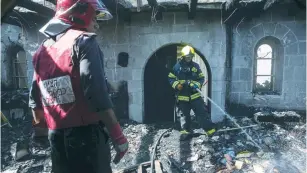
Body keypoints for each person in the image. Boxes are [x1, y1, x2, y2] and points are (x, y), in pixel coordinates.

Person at [28, 0, 128, 172]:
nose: (96, 25)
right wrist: (118, 137)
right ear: (81, 13)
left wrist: (41, 133)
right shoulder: (84, 42)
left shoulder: (41, 51)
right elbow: (96, 94)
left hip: (56, 138)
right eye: (94, 18)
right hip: (88, 138)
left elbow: (35, 99)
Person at [168, 45, 216, 136]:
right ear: (183, 56)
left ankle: (209, 130)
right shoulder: (177, 67)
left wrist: (196, 85)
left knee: (202, 113)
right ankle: (185, 132)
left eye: (190, 56)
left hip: (195, 96)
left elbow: (201, 78)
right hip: (183, 97)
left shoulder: (196, 66)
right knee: (184, 115)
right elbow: (171, 78)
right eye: (187, 57)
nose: (189, 58)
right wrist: (176, 85)